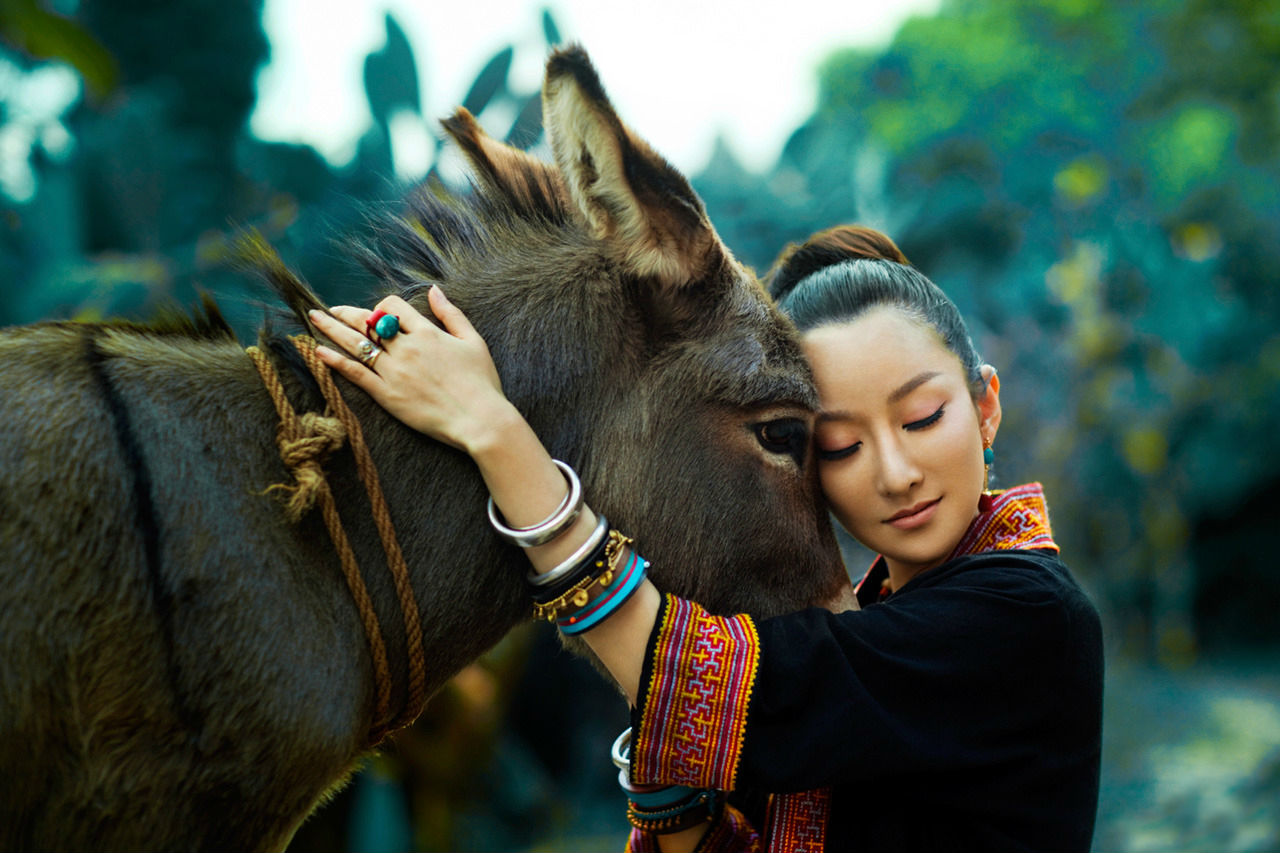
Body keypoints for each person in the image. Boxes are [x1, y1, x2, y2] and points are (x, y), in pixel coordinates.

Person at [310, 225, 1103, 852]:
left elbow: (732, 689)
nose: (895, 472)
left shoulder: (1030, 616)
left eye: (923, 417)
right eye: (840, 446)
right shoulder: (879, 629)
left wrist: (495, 432)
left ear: (987, 407)